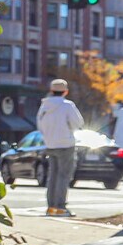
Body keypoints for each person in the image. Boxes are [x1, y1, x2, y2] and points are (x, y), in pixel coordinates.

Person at [35, 78, 85, 217]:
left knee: (53, 175)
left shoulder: (44, 107)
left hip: (50, 144)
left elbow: (40, 126)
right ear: (65, 91)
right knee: (64, 176)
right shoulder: (68, 105)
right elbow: (78, 123)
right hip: (66, 144)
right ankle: (61, 206)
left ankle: (51, 206)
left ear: (51, 91)